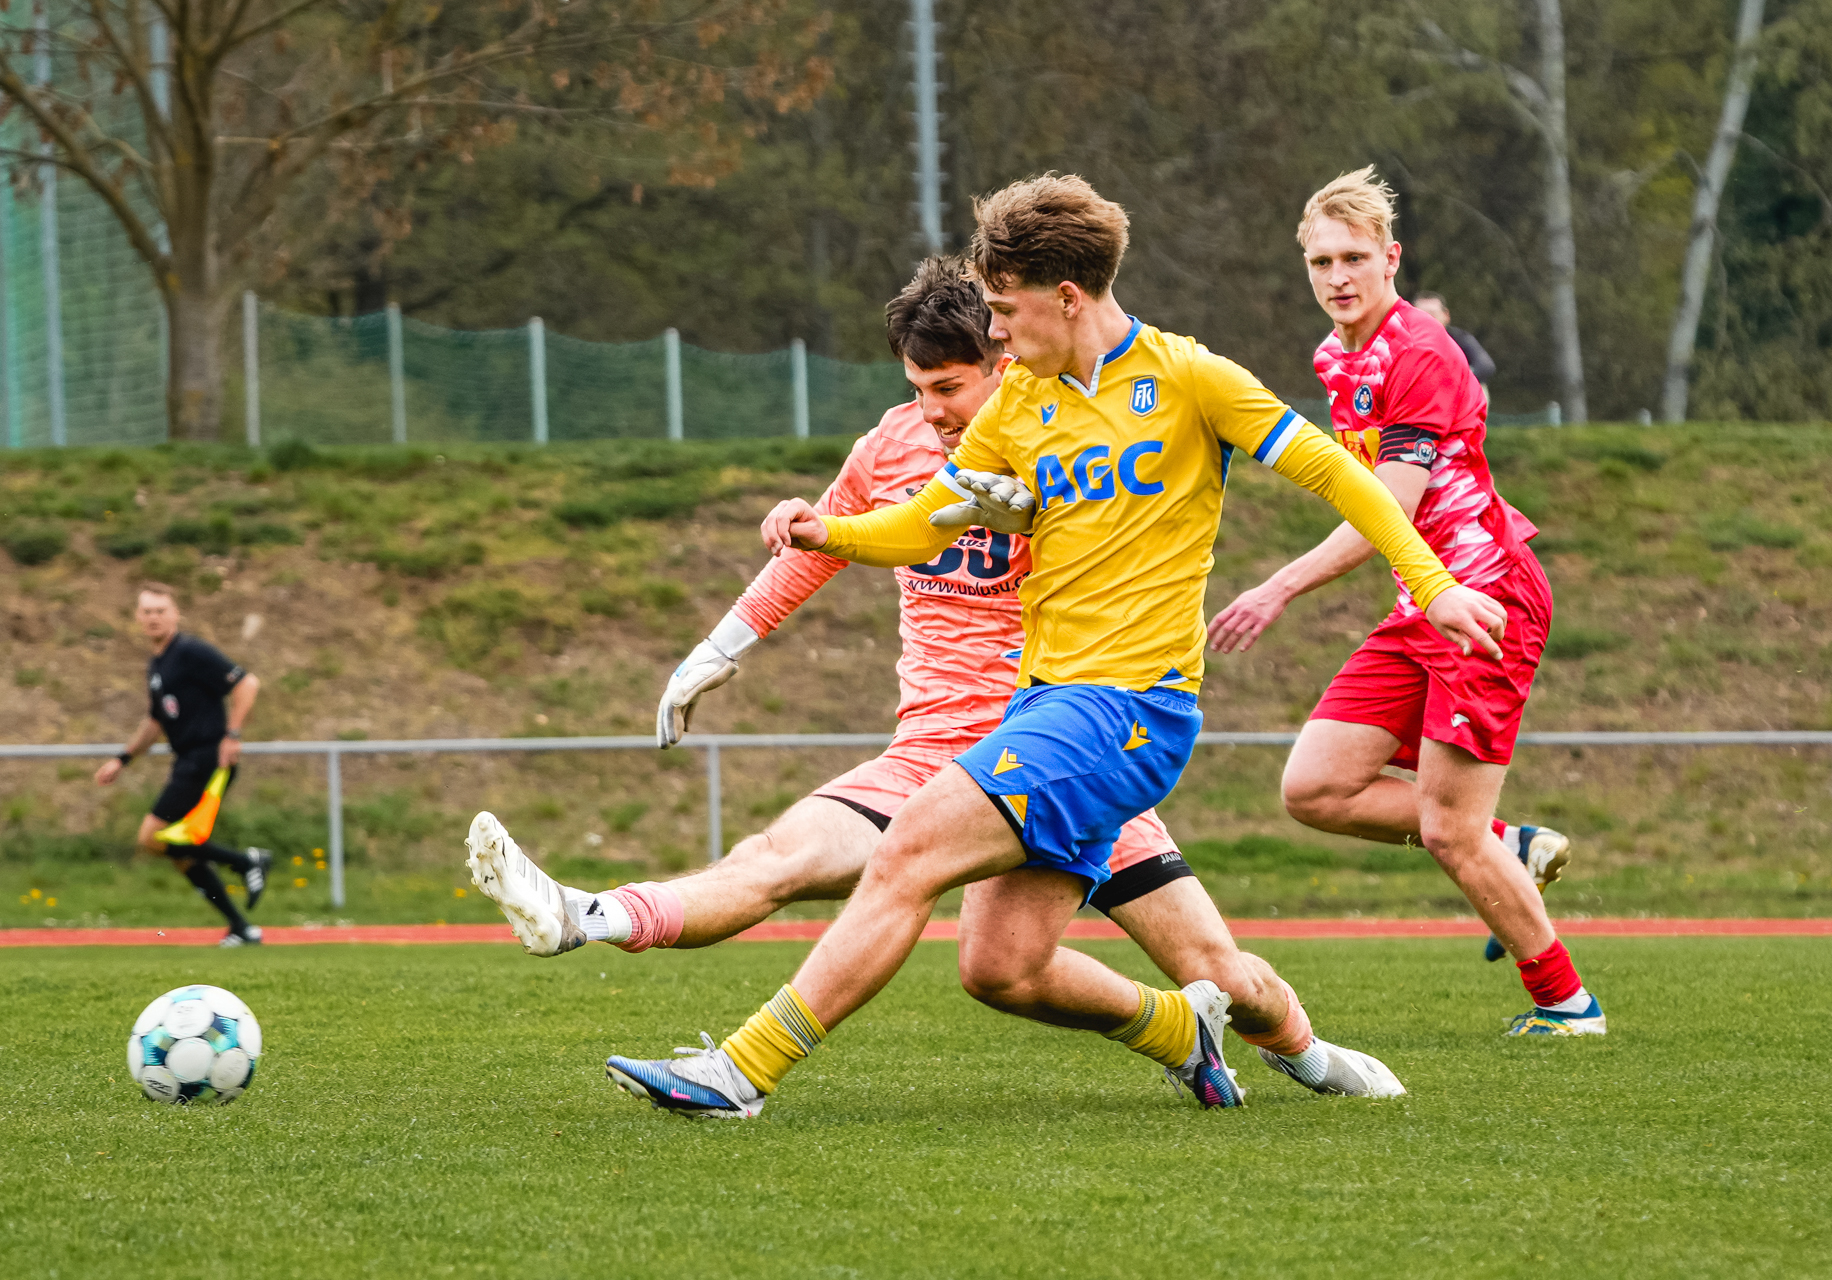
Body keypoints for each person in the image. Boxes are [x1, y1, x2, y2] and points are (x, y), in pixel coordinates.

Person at [574, 173, 1508, 1119]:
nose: (996, 330)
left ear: (1066, 297)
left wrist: (1433, 586)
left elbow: (1342, 477)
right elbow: (926, 523)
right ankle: (1298, 1052)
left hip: (1132, 709)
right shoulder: (1021, 400)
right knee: (1002, 968)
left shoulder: (1192, 378)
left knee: (909, 852)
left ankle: (739, 1074)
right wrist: (831, 534)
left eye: (1005, 308)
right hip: (1046, 705)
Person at [1208, 167, 1601, 1035]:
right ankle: (1512, 845)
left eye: (1354, 257)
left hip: (1484, 598)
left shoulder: (1420, 352)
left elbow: (1388, 506)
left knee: (1451, 829)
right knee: (1316, 787)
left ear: (1391, 259)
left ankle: (1567, 1003)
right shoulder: (1337, 356)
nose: (1337, 276)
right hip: (1423, 603)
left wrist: (1278, 585)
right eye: (1321, 261)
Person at [94, 584, 271, 946]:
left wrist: (232, 735)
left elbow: (247, 684)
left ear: (176, 614)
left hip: (208, 757)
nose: (153, 618)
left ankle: (246, 862)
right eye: (147, 611)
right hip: (187, 760)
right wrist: (123, 759)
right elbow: (155, 722)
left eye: (161, 610)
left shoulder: (190, 651)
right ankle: (241, 927)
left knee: (152, 837)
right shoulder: (157, 664)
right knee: (179, 852)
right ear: (137, 617)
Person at [1412, 293, 1496, 393]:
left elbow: (1485, 365)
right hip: (1418, 393)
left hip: (1455, 392)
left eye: (1433, 314)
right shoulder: (1403, 340)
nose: (1428, 319)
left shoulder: (1460, 339)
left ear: (1446, 315)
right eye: (1422, 315)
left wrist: (1452, 381)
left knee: (1479, 387)